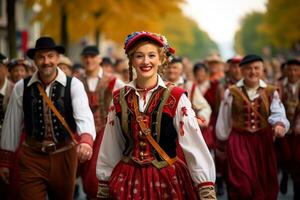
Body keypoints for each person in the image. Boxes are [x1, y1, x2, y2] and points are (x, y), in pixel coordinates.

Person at [96, 31, 216, 199]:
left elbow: (193, 142)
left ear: (161, 60)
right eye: (139, 56)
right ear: (131, 60)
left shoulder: (176, 96)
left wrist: (205, 186)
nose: (146, 61)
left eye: (151, 55)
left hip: (167, 181)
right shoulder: (119, 99)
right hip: (128, 182)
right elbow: (111, 144)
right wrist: (104, 182)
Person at [0, 36, 96, 200]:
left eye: (50, 56)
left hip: (64, 155)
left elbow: (84, 115)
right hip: (32, 156)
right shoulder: (21, 87)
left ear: (57, 58)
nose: (46, 61)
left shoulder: (73, 85)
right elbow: (12, 125)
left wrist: (86, 140)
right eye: (41, 57)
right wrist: (5, 161)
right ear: (34, 61)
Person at [216, 54, 290, 200]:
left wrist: (279, 125)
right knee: (241, 185)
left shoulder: (271, 91)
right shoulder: (231, 92)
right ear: (242, 71)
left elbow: (278, 113)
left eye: (257, 68)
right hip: (239, 142)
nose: (253, 72)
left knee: (264, 183)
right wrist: (222, 142)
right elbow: (223, 120)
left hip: (263, 142)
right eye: (248, 68)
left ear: (262, 70)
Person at [79, 45, 124, 199]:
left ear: (99, 58)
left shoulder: (113, 80)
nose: (89, 60)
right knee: (84, 169)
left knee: (96, 172)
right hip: (82, 132)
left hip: (104, 130)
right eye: (86, 57)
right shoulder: (76, 81)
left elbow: (126, 98)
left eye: (92, 56)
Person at [276, 58, 300, 199]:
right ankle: (285, 174)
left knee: (297, 158)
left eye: (296, 70)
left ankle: (297, 187)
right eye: (290, 69)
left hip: (298, 129)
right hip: (284, 128)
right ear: (285, 71)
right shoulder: (279, 86)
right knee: (285, 156)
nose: (292, 73)